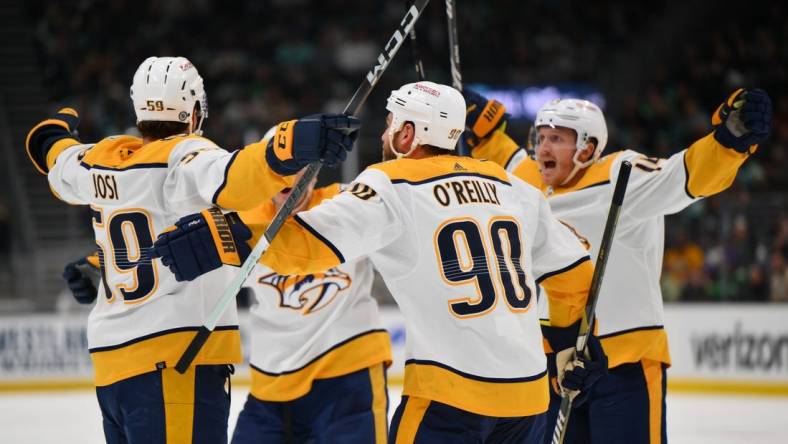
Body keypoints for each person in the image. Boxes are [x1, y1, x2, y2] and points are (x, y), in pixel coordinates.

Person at [151, 81, 607, 443]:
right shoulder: (514, 187)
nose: (386, 133)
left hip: (448, 397)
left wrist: (229, 236)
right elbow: (574, 273)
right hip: (527, 399)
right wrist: (568, 337)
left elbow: (306, 246)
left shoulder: (392, 184)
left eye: (392, 123)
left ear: (409, 134)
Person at [25, 56, 358, 444]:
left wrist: (53, 130)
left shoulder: (100, 160)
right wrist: (292, 142)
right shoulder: (182, 156)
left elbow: (53, 155)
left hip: (112, 370)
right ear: (195, 109)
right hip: (175, 362)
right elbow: (234, 178)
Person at [461, 87, 772, 443]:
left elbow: (685, 175)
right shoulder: (529, 181)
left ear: (588, 148)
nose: (543, 148)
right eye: (541, 137)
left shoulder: (623, 176)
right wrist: (476, 118)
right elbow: (504, 155)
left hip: (625, 365)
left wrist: (729, 142)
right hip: (557, 365)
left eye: (557, 139)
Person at [230, 170, 392, 444]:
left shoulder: (345, 203)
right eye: (279, 171)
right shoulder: (243, 222)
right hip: (270, 388)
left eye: (299, 171)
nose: (290, 180)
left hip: (348, 377)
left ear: (314, 176)